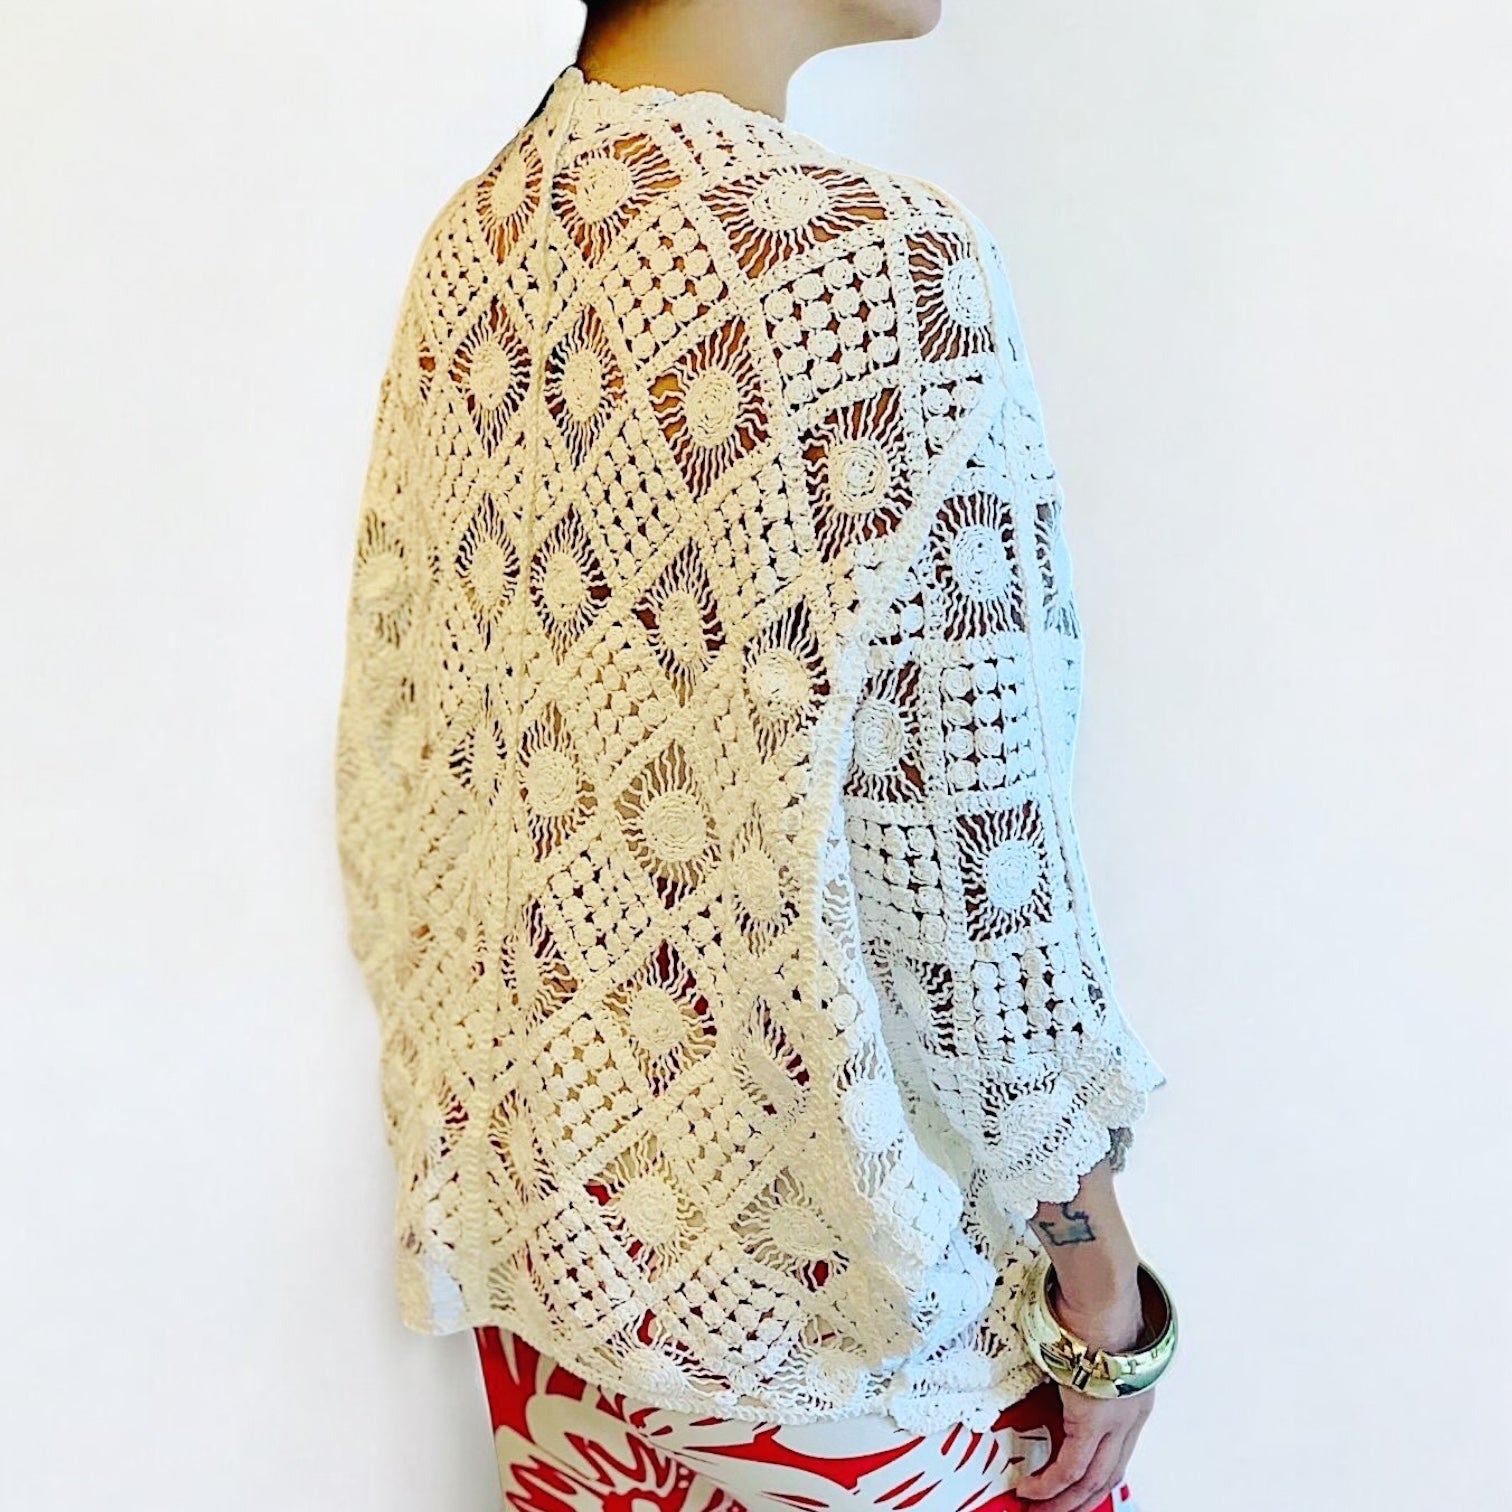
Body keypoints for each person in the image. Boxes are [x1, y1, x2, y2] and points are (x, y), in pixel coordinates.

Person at [334, 2, 1178, 1509]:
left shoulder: (478, 242)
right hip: (846, 1345)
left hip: (564, 1291)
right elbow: (975, 895)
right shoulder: (883, 272)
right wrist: (1101, 1286)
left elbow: (413, 791)